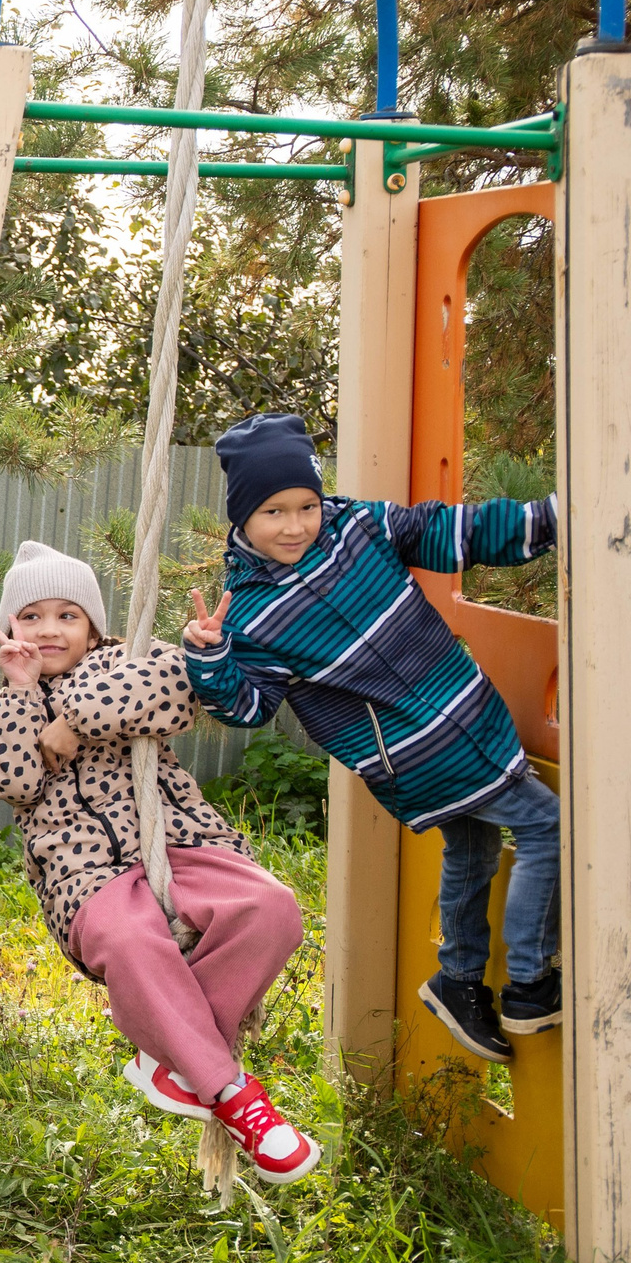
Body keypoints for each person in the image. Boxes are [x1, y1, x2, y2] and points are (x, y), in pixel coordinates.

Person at [180, 413, 560, 1065]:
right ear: (241, 520)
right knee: (547, 825)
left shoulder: (360, 527)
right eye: (274, 512)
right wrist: (211, 659)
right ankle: (528, 980)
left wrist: (550, 518)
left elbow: (452, 532)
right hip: (419, 754)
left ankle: (461, 979)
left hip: (467, 715)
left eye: (306, 505)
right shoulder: (252, 616)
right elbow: (250, 706)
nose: (296, 524)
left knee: (473, 843)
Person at [0, 543, 320, 1186]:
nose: (48, 629)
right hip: (83, 870)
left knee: (272, 910)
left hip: (182, 838)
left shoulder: (135, 659)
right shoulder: (2, 707)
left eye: (68, 615)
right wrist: (23, 696)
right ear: (10, 628)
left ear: (96, 627)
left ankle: (169, 1055)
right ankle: (235, 1095)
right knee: (131, 940)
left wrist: (72, 719)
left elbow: (177, 689)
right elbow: (10, 779)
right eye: (31, 616)